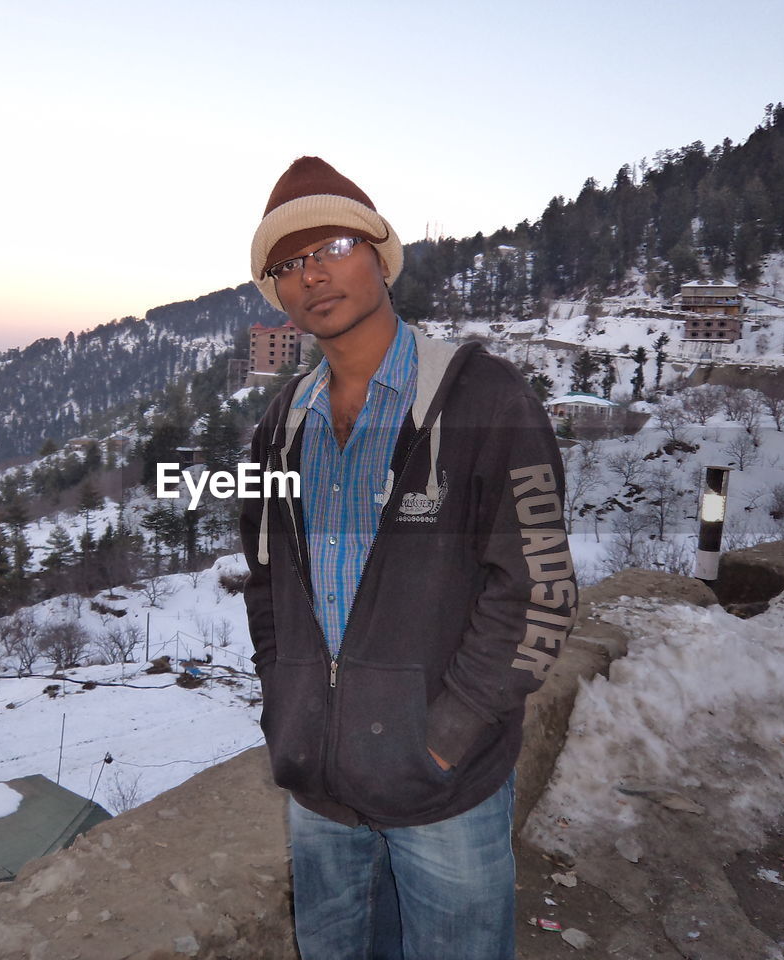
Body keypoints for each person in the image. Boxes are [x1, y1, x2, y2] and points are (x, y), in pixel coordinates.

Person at [240, 156, 577, 960]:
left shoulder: (484, 402)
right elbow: (265, 584)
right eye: (287, 265)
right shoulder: (280, 426)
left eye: (333, 247)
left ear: (381, 254)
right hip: (319, 788)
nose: (311, 276)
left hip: (444, 791)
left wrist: (445, 736)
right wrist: (287, 708)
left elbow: (539, 591)